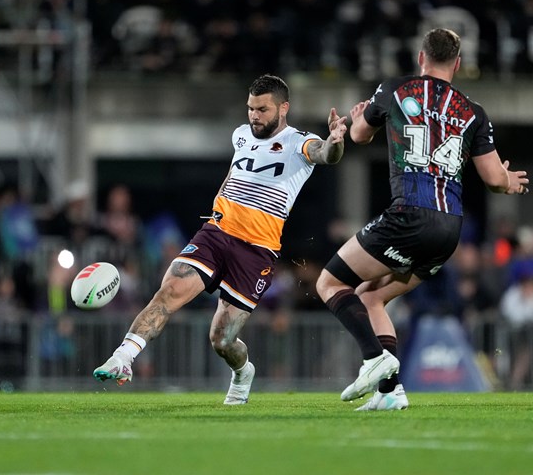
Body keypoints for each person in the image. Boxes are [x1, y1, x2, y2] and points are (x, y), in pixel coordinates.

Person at [94, 74, 348, 404]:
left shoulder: (299, 142)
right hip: (216, 234)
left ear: (283, 108)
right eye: (250, 108)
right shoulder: (241, 135)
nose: (254, 116)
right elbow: (234, 176)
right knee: (169, 290)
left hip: (257, 249)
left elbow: (326, 154)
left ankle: (243, 372)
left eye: (262, 109)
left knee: (221, 340)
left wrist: (337, 140)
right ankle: (123, 358)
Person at [315, 28, 530, 411]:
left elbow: (361, 135)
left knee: (330, 282)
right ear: (458, 64)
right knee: (372, 296)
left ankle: (374, 359)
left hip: (409, 217)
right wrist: (510, 181)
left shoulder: (396, 89)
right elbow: (496, 180)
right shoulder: (473, 112)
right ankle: (390, 392)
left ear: (421, 57)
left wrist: (359, 116)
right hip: (449, 232)